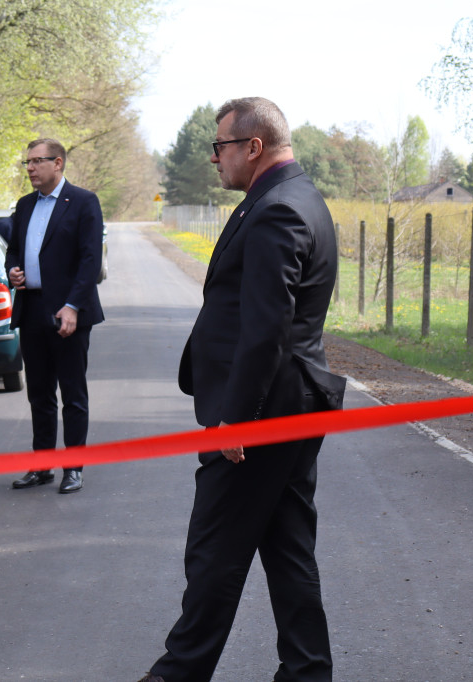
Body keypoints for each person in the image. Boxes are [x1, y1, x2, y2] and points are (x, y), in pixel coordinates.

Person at [139, 98, 346, 682]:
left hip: (265, 409)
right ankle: (308, 672)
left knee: (214, 549)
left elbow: (266, 328)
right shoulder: (288, 198)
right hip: (289, 402)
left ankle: (176, 674)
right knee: (286, 549)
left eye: (221, 146)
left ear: (253, 147)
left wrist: (238, 418)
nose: (214, 158)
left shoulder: (279, 209)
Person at [6, 138, 104, 494]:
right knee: (39, 393)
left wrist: (74, 306)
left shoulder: (82, 202)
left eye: (37, 161)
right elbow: (14, 250)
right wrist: (13, 270)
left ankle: (73, 467)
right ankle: (42, 464)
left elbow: (90, 260)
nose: (30, 168)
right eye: (27, 162)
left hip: (68, 314)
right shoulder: (25, 205)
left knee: (73, 393)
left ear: (58, 163)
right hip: (32, 309)